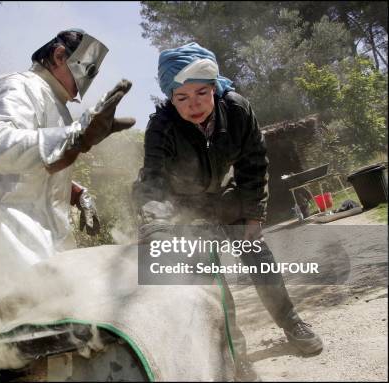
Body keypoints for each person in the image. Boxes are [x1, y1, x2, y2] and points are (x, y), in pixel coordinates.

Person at [132, 42, 323, 377]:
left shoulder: (237, 110)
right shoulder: (160, 127)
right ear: (169, 97)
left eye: (201, 93)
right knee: (209, 277)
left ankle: (292, 323)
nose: (193, 106)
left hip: (227, 197)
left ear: (215, 89)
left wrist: (253, 216)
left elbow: (253, 164)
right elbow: (153, 185)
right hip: (185, 208)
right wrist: (158, 231)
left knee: (258, 257)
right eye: (182, 98)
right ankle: (232, 349)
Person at [0, 29, 135, 267]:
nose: (88, 81)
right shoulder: (17, 85)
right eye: (89, 70)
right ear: (59, 56)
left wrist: (74, 193)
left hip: (46, 244)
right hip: (3, 238)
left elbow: (35, 167)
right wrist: (76, 134)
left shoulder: (59, 106)